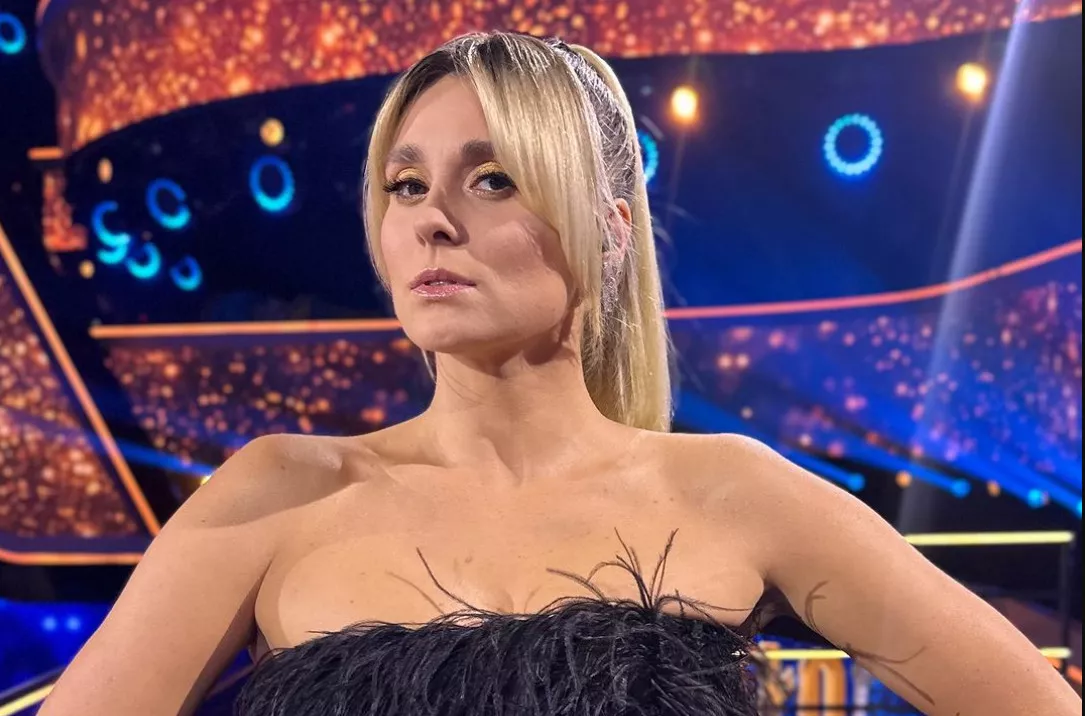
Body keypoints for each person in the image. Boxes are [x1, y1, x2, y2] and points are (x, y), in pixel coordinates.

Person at [40, 31, 1079, 716]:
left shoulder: (730, 490)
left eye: (492, 177)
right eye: (405, 184)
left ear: (610, 229)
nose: (432, 219)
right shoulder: (279, 491)